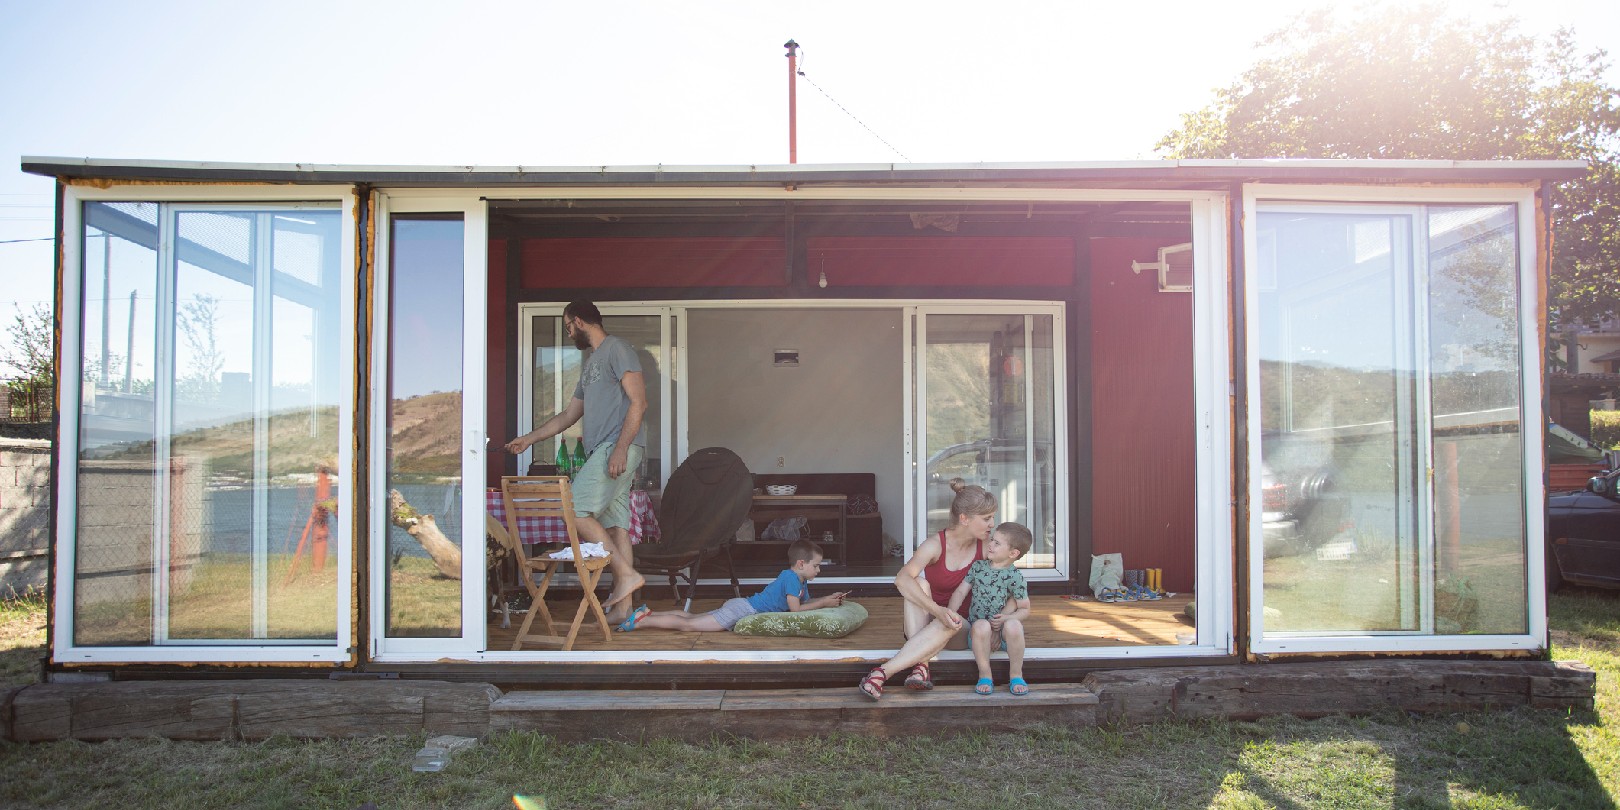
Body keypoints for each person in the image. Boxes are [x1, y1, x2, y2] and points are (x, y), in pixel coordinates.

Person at [505, 301, 648, 624]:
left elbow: (640, 401)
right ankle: (624, 610)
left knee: (573, 508)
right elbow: (570, 415)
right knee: (616, 526)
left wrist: (621, 449)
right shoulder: (591, 363)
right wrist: (529, 439)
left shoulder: (617, 348)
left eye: (568, 327)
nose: (569, 333)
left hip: (616, 446)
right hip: (606, 449)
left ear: (579, 321)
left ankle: (625, 574)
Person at [858, 479, 997, 700]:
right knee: (917, 583)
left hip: (960, 628)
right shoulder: (936, 544)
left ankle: (882, 673)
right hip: (926, 624)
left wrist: (999, 625)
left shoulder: (987, 546)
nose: (992, 524)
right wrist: (937, 611)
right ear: (964, 519)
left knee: (952, 620)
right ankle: (920, 666)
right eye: (987, 518)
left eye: (992, 518)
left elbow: (1007, 583)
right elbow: (901, 579)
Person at [614, 539, 848, 633]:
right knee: (689, 626)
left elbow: (802, 604)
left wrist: (828, 598)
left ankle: (647, 612)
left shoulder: (801, 582)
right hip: (743, 610)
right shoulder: (789, 577)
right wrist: (824, 604)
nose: (818, 570)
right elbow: (795, 611)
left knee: (690, 617)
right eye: (816, 566)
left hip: (742, 606)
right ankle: (641, 622)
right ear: (801, 563)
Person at [949, 522, 1033, 695]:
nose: (990, 545)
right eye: (992, 540)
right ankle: (985, 674)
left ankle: (1016, 675)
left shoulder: (1015, 577)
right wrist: (949, 614)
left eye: (997, 543)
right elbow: (960, 592)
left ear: (1013, 553)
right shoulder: (978, 567)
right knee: (981, 625)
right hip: (979, 635)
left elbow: (1025, 609)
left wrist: (1006, 619)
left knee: (1014, 625)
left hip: (1003, 636)